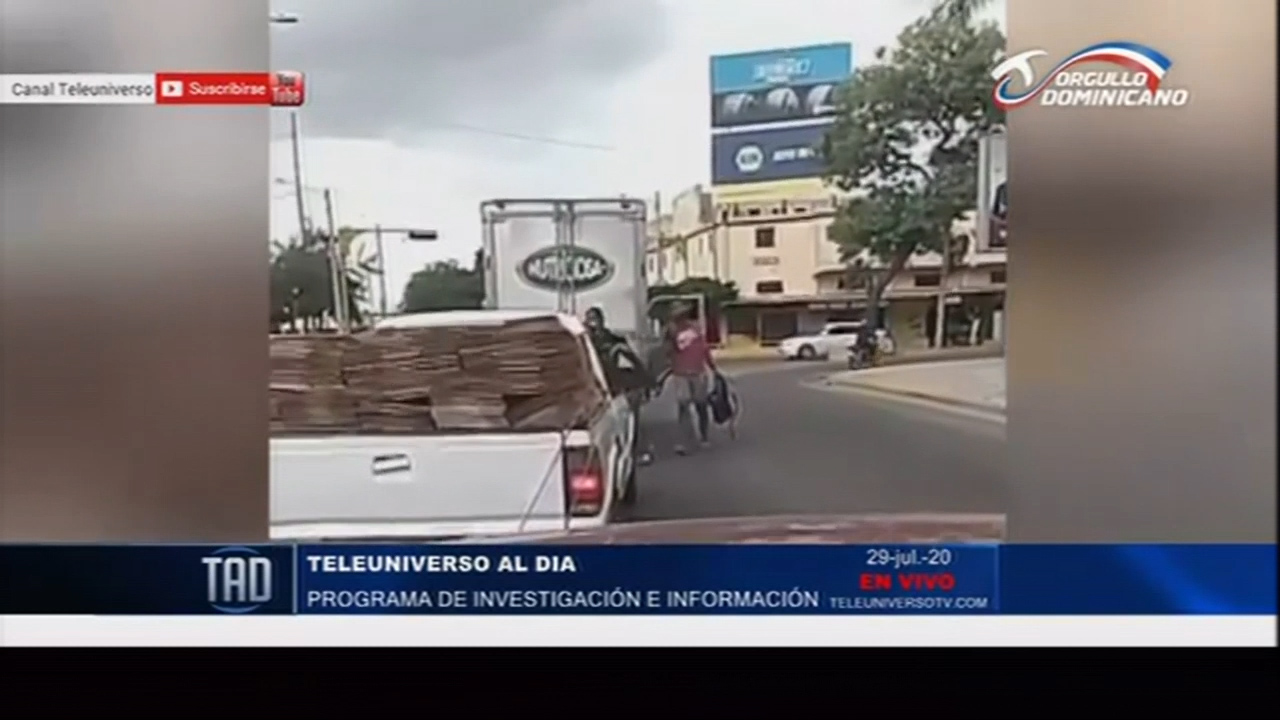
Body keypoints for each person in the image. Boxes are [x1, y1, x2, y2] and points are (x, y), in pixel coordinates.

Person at [583, 307, 654, 466]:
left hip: (613, 387)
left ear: (602, 320)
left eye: (595, 319)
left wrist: (646, 381)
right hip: (590, 389)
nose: (592, 323)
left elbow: (632, 360)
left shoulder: (613, 340)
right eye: (589, 319)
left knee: (627, 420)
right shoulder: (582, 341)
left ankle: (637, 451)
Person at [664, 303, 716, 455]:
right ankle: (685, 441)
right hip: (681, 373)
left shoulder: (695, 329)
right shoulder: (671, 331)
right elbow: (667, 350)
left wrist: (712, 367)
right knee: (684, 406)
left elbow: (704, 348)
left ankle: (704, 436)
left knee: (701, 405)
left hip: (697, 372)